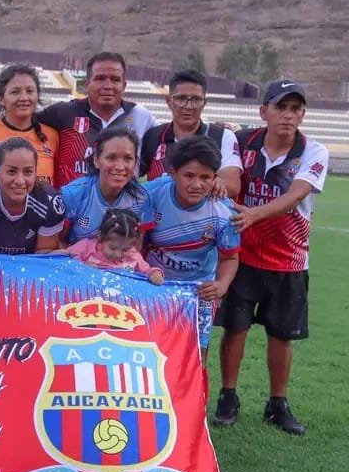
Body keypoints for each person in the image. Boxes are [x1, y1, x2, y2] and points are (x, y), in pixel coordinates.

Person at [214, 79, 329, 434]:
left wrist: (251, 213)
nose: (288, 115)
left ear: (303, 114)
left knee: (282, 334)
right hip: (242, 256)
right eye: (281, 107)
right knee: (235, 328)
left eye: (296, 109)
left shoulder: (313, 150)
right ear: (264, 111)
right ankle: (228, 397)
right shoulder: (241, 141)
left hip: (290, 259)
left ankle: (277, 403)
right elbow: (230, 176)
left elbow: (296, 196)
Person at [0, 53, 157, 188]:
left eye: (115, 79)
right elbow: (21, 121)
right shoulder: (64, 113)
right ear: (86, 84)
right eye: (100, 78)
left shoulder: (142, 116)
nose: (108, 85)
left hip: (122, 214)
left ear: (124, 85)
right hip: (71, 216)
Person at [144, 137, 239, 363]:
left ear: (215, 178)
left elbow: (230, 257)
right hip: (152, 283)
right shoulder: (150, 194)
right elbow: (136, 241)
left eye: (205, 177)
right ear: (173, 173)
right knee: (148, 349)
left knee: (196, 353)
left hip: (197, 289)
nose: (197, 185)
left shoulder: (224, 213)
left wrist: (221, 285)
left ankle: (193, 398)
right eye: (189, 176)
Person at [0, 138, 66, 254]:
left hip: (28, 268)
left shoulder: (49, 203)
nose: (20, 181)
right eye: (11, 171)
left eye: (28, 172)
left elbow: (43, 255)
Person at [140, 69, 242, 183]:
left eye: (196, 99)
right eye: (181, 99)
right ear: (168, 101)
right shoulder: (153, 136)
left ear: (204, 103)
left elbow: (232, 185)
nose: (188, 106)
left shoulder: (223, 137)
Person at [60, 127, 154, 245]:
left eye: (128, 158)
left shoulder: (142, 197)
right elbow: (58, 243)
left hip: (121, 261)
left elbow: (136, 248)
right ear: (96, 160)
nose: (120, 167)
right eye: (111, 158)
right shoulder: (72, 195)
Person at [0, 64, 59, 183]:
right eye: (15, 92)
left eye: (30, 91)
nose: (23, 97)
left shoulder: (52, 135)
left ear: (37, 95)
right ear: (1, 98)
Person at [66, 209, 165, 284]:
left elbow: (146, 270)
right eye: (112, 248)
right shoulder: (87, 246)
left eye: (125, 249)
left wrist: (155, 274)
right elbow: (64, 258)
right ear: (100, 237)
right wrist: (81, 265)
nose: (118, 254)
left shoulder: (133, 255)